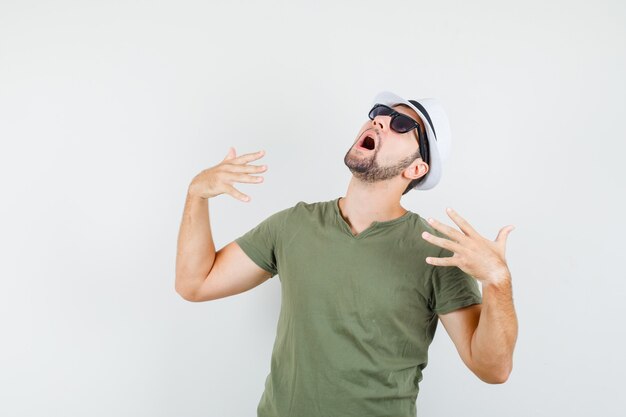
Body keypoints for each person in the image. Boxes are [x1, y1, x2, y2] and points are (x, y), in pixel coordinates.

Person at [175, 91, 519, 417]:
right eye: (380, 114)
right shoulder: (293, 225)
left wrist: (497, 282)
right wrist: (197, 194)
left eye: (401, 124)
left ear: (416, 169)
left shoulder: (437, 252)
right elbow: (196, 284)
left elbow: (492, 369)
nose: (381, 121)